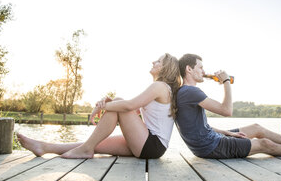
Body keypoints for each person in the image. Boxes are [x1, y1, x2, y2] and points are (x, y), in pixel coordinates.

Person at [17, 53, 181, 159]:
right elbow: (133, 109)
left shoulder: (160, 86)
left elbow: (128, 105)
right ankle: (44, 147)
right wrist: (109, 103)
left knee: (118, 101)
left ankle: (85, 149)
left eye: (158, 61)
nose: (153, 61)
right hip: (149, 144)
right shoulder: (161, 88)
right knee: (96, 142)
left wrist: (103, 107)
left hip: (152, 144)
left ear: (166, 67)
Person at [175, 53, 281, 159]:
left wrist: (228, 133)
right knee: (264, 144)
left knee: (256, 128)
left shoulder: (186, 92)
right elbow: (227, 111)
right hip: (210, 146)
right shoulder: (190, 91)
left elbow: (201, 126)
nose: (204, 71)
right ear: (189, 69)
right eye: (200, 67)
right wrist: (226, 82)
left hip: (211, 139)